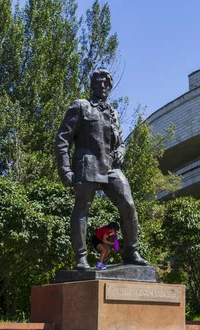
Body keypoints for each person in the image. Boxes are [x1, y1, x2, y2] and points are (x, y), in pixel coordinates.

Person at [55, 69, 148, 270]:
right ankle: (81, 257)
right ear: (92, 85)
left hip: (111, 167)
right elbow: (63, 139)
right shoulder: (81, 106)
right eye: (99, 82)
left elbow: (120, 142)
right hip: (87, 164)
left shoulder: (113, 112)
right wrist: (65, 170)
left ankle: (131, 251)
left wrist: (122, 151)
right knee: (82, 210)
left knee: (128, 205)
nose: (103, 86)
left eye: (107, 83)